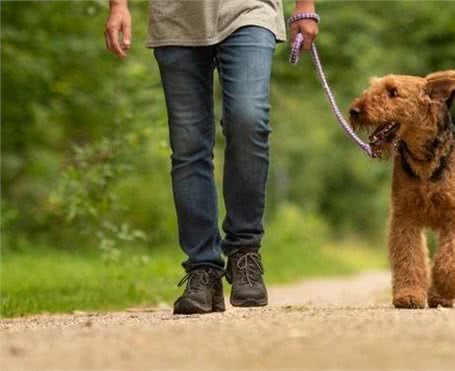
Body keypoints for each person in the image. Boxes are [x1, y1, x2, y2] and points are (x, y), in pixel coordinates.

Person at [104, 0, 318, 314]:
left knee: (249, 120)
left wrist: (305, 5)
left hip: (249, 9)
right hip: (175, 16)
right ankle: (202, 269)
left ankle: (245, 250)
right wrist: (118, 5)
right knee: (188, 146)